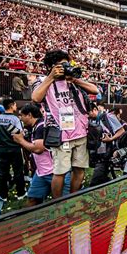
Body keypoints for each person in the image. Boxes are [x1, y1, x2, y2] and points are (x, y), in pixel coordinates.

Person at [32, 50, 99, 198]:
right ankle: (58, 202)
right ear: (51, 66)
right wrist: (51, 77)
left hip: (81, 131)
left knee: (79, 169)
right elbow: (36, 97)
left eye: (67, 64)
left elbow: (95, 90)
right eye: (62, 65)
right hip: (61, 134)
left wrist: (73, 79)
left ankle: (72, 199)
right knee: (60, 171)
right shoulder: (43, 80)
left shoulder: (72, 80)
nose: (66, 67)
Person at [12, 103, 70, 205]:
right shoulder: (34, 127)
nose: (20, 118)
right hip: (41, 173)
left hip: (55, 172)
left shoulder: (41, 126)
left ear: (29, 115)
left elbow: (39, 149)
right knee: (32, 200)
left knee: (65, 204)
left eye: (22, 115)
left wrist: (21, 140)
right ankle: (33, 220)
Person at [0, 98, 26, 201]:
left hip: (1, 149)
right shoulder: (15, 119)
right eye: (15, 105)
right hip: (15, 149)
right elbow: (20, 134)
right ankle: (21, 193)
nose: (16, 107)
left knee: (2, 173)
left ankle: (3, 195)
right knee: (18, 171)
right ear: (11, 105)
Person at [88, 101, 125, 186]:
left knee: (95, 182)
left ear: (94, 109)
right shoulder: (90, 121)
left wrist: (111, 139)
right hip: (97, 154)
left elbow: (121, 130)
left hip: (109, 152)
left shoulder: (108, 116)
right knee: (102, 178)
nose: (87, 115)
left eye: (88, 112)